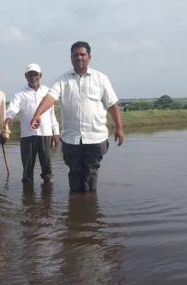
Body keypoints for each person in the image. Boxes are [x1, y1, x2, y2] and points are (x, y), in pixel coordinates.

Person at [30, 41, 124, 193]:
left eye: (82, 54)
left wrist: (119, 128)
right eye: (75, 55)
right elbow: (50, 97)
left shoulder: (101, 79)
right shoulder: (62, 80)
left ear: (89, 57)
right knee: (74, 174)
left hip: (95, 137)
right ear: (71, 58)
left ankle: (89, 209)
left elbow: (113, 104)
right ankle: (76, 209)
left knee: (91, 174)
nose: (79, 57)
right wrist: (37, 114)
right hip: (71, 138)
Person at [5, 63, 60, 184]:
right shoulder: (20, 93)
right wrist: (9, 117)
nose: (33, 77)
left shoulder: (48, 92)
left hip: (46, 133)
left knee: (47, 169)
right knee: (27, 170)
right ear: (26, 76)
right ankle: (28, 198)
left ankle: (47, 199)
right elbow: (13, 107)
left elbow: (52, 115)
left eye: (35, 74)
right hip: (27, 134)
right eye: (30, 75)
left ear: (40, 76)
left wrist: (56, 132)